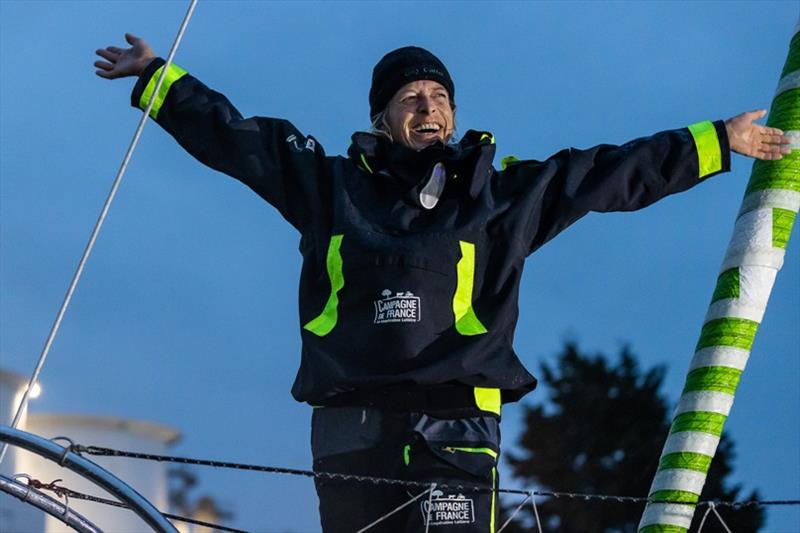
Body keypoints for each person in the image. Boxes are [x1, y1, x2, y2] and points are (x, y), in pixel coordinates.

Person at [95, 33, 790, 533]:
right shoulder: (327, 186)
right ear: (381, 117)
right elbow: (240, 140)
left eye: (439, 95)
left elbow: (600, 174)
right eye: (409, 96)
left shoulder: (497, 196)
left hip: (455, 423)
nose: (428, 106)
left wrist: (712, 141)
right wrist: (158, 76)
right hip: (349, 421)